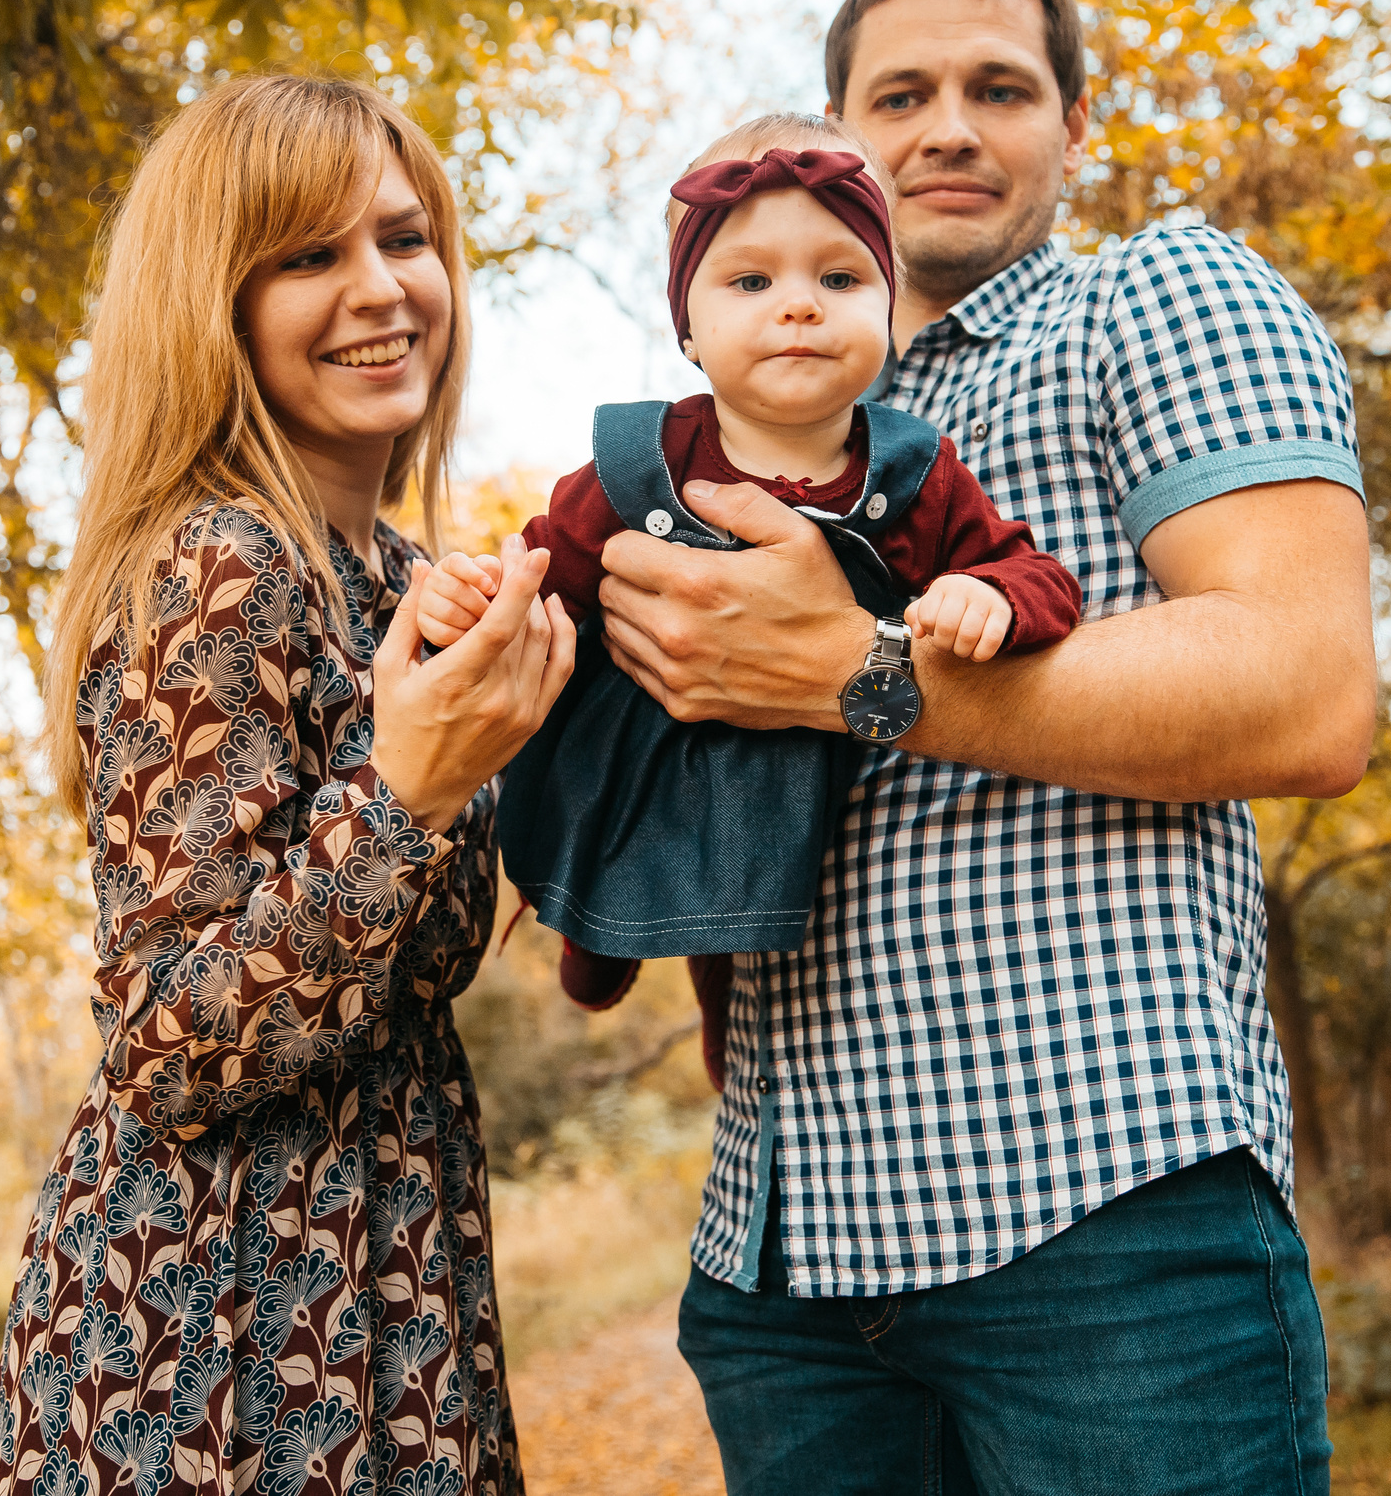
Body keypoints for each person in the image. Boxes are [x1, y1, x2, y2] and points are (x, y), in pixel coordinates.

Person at [601, 0, 1378, 1493]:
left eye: (999, 88)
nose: (948, 125)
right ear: (834, 147)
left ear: (1073, 128)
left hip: (1105, 1233)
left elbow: (1309, 689)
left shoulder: (1155, 300)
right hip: (784, 1262)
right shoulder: (768, 412)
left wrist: (853, 669)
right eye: (902, 92)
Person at [0, 75, 575, 1496]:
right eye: (308, 256)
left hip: (390, 1269)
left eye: (403, 235)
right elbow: (171, 1041)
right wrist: (405, 791)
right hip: (214, 1328)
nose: (380, 287)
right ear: (216, 301)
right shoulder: (216, 561)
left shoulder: (397, 582)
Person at [410, 112, 1079, 1089]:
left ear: (888, 315)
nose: (798, 307)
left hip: (809, 763)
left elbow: (1038, 577)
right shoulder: (640, 465)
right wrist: (478, 595)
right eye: (752, 281)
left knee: (749, 898)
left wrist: (989, 597)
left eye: (839, 279)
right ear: (689, 325)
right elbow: (541, 573)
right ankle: (593, 929)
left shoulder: (915, 470)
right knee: (602, 807)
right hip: (640, 737)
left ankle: (738, 1050)